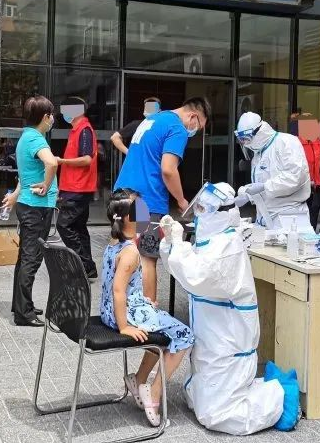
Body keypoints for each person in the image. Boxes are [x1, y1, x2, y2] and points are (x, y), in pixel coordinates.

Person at [158, 182, 299, 435]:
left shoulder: (227, 246)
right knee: (199, 399)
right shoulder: (210, 240)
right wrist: (169, 243)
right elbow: (181, 269)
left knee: (218, 416)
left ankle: (282, 395)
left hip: (229, 340)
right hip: (211, 336)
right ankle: (268, 384)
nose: (198, 214)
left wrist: (178, 244)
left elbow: (197, 276)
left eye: (203, 209)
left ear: (221, 212)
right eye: (198, 208)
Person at [101, 189, 194, 427]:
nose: (146, 213)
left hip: (112, 311)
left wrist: (142, 302)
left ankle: (138, 379)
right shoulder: (131, 252)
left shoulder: (115, 242)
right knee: (184, 335)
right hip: (123, 314)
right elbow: (118, 290)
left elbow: (120, 287)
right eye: (140, 210)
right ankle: (153, 392)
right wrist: (124, 326)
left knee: (160, 326)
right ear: (127, 218)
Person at [114, 97, 211, 302]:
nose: (195, 131)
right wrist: (182, 200)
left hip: (122, 194)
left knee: (122, 252)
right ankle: (148, 311)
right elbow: (168, 170)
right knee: (146, 258)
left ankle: (120, 307)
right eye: (199, 126)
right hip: (145, 200)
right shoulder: (177, 128)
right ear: (193, 116)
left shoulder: (154, 119)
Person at [3, 96, 58, 328]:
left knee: (25, 258)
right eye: (51, 115)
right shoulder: (36, 139)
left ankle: (21, 305)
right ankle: (23, 313)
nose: (53, 119)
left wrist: (15, 195)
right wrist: (46, 184)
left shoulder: (26, 137)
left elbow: (25, 176)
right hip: (36, 207)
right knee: (31, 259)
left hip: (29, 205)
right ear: (45, 117)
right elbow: (52, 163)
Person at [234, 112, 312, 230]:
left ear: (259, 131)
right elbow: (262, 186)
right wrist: (248, 195)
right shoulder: (258, 154)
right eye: (242, 140)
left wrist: (264, 186)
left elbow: (295, 177)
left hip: (289, 217)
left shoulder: (286, 142)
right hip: (265, 217)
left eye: (247, 138)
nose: (245, 143)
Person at [55, 97, 98, 279]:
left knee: (64, 225)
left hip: (78, 188)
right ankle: (88, 268)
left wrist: (61, 161)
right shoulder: (77, 130)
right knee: (79, 228)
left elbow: (86, 159)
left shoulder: (84, 130)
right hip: (74, 187)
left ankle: (81, 265)